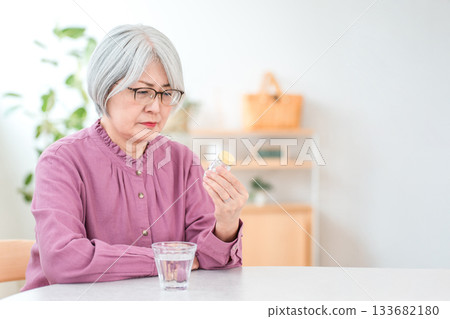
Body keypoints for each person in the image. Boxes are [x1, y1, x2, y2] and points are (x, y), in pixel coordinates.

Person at [22, 24, 248, 291]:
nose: (156, 107)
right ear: (105, 88)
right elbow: (63, 260)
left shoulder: (183, 162)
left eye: (167, 94)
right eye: (142, 91)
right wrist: (167, 260)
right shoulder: (61, 161)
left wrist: (226, 222)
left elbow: (210, 262)